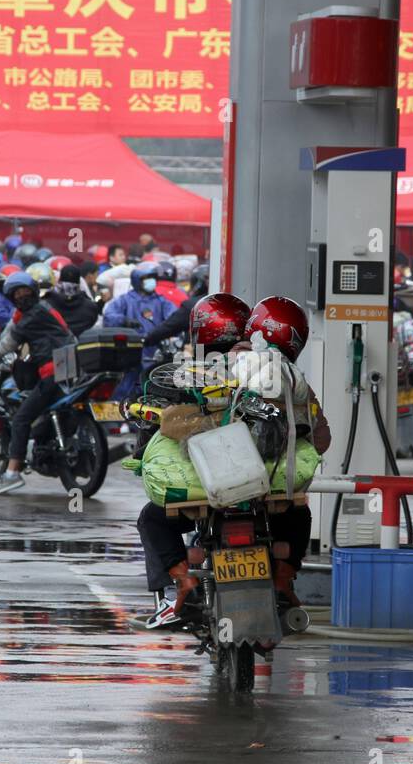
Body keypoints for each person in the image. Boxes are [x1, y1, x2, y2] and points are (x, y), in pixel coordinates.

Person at [139, 295, 328, 629]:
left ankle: (183, 583)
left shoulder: (201, 368)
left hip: (211, 487)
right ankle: (284, 582)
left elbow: (167, 421)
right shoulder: (294, 381)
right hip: (266, 492)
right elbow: (322, 439)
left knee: (152, 519)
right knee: (300, 512)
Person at [0, 271, 78, 494]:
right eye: (17, 293)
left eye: (25, 291)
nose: (21, 296)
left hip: (52, 372)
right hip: (69, 368)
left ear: (34, 291)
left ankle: (12, 473)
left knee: (20, 419)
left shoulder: (30, 317)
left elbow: (6, 345)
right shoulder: (46, 309)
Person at [102, 260, 178, 398]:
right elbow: (109, 316)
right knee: (126, 391)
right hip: (131, 354)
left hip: (157, 354)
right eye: (147, 279)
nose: (151, 281)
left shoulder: (161, 301)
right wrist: (124, 321)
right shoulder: (125, 300)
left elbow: (175, 318)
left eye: (153, 278)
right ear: (137, 281)